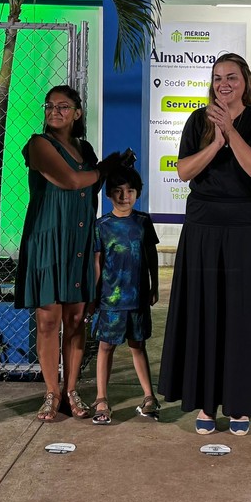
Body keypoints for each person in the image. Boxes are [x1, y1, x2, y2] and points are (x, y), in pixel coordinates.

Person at [159, 52, 251, 434]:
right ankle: (205, 402)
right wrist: (215, 143)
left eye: (231, 77)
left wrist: (231, 132)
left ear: (245, 81)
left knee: (243, 314)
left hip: (249, 227)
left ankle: (240, 403)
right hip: (204, 226)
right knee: (206, 310)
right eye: (217, 78)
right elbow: (184, 171)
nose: (223, 84)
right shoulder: (198, 120)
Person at [14, 85, 107, 423]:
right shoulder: (39, 144)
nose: (54, 111)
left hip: (80, 241)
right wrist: (103, 170)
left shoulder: (86, 149)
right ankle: (50, 392)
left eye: (63, 106)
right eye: (50, 105)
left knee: (76, 319)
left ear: (77, 113)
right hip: (47, 240)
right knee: (49, 319)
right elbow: (69, 180)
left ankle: (71, 390)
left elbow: (90, 188)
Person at [89, 163, 161, 425]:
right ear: (109, 195)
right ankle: (101, 398)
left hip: (138, 298)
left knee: (138, 345)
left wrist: (154, 286)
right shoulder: (102, 225)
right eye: (118, 191)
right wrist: (94, 296)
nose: (124, 196)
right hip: (110, 300)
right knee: (105, 346)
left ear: (138, 193)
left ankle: (149, 396)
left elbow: (151, 255)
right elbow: (97, 263)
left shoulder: (143, 222)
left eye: (130, 191)